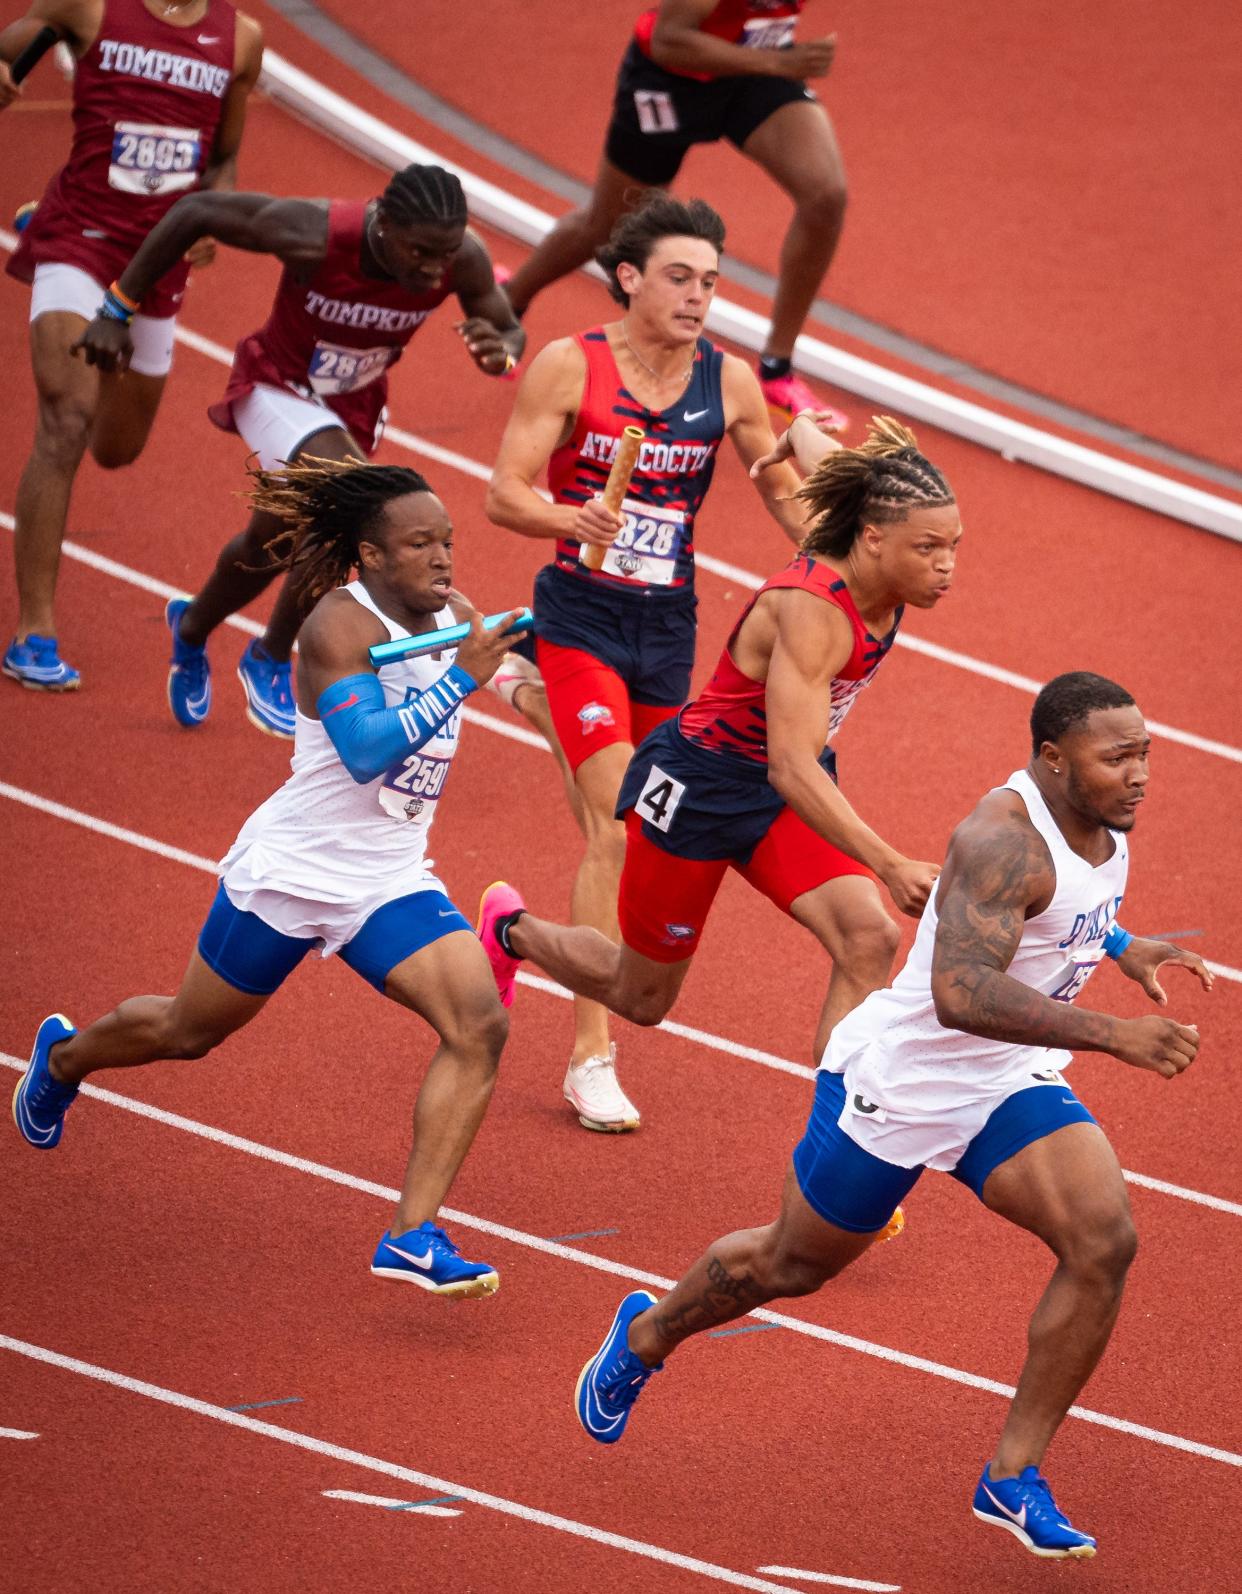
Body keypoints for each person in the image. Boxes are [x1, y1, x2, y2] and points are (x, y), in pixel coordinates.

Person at [566, 671, 1213, 1560]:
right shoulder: (998, 839)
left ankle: (1010, 1475)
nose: (1139, 773)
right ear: (1054, 760)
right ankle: (646, 1333)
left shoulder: (1100, 824)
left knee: (1104, 1240)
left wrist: (1123, 943)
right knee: (789, 1266)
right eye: (1118, 757)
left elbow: (1059, 911)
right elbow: (961, 991)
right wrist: (1115, 1034)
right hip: (901, 1085)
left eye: (1145, 754)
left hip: (1006, 1078)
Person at [11, 458, 531, 1298]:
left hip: (387, 877)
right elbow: (366, 753)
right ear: (369, 557)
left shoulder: (455, 615)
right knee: (190, 1032)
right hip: (295, 869)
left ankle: (411, 1235)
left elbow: (513, 680)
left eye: (448, 541)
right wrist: (464, 675)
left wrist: (551, 695)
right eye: (421, 544)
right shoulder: (335, 627)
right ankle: (66, 1059)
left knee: (479, 1025)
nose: (443, 559)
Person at [487, 193, 834, 1134]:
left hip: (667, 628)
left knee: (639, 812)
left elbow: (780, 489)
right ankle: (590, 1054)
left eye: (712, 282)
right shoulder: (572, 364)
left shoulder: (726, 384)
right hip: (580, 614)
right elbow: (504, 493)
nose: (699, 296)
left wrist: (841, 554)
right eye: (681, 277)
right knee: (612, 825)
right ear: (631, 277)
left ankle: (530, 697)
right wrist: (572, 518)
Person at [480, 414, 949, 1077]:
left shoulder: (881, 562)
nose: (946, 566)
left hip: (775, 787)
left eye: (954, 546)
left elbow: (831, 455)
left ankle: (839, 1135)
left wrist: (796, 437)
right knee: (640, 998)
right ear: (873, 539)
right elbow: (791, 765)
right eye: (929, 548)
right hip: (697, 790)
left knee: (868, 935)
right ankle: (510, 929)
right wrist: (891, 863)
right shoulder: (813, 608)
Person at [72, 162, 525, 737]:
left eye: (446, 254)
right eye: (421, 254)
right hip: (275, 385)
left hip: (351, 406)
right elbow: (193, 211)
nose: (436, 269)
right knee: (354, 498)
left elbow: (508, 330)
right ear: (383, 223)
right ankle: (271, 654)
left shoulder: (463, 257)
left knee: (272, 543)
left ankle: (191, 625)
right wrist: (117, 309)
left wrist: (501, 353)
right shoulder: (313, 233)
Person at [1, 0, 264, 691]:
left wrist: (219, 209)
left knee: (117, 447)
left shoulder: (240, 40)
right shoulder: (88, 6)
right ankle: (34, 632)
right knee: (65, 420)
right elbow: (9, 52)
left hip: (157, 261)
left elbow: (226, 153)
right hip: (80, 240)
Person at [501, 1, 849, 425]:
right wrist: (777, 60)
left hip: (754, 73)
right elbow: (669, 40)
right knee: (611, 228)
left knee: (825, 198)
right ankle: (508, 302)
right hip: (671, 81)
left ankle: (776, 369)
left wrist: (774, 60)